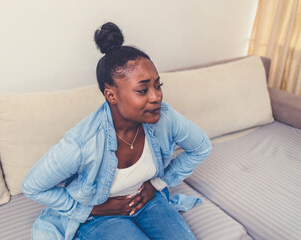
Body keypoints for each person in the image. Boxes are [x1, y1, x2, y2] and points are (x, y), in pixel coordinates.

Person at [22, 22, 212, 240]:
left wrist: (156, 185)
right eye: (143, 90)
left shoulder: (164, 117)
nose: (156, 96)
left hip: (148, 200)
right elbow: (32, 186)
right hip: (101, 216)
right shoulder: (82, 143)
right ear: (111, 95)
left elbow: (201, 147)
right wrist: (91, 210)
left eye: (158, 85)